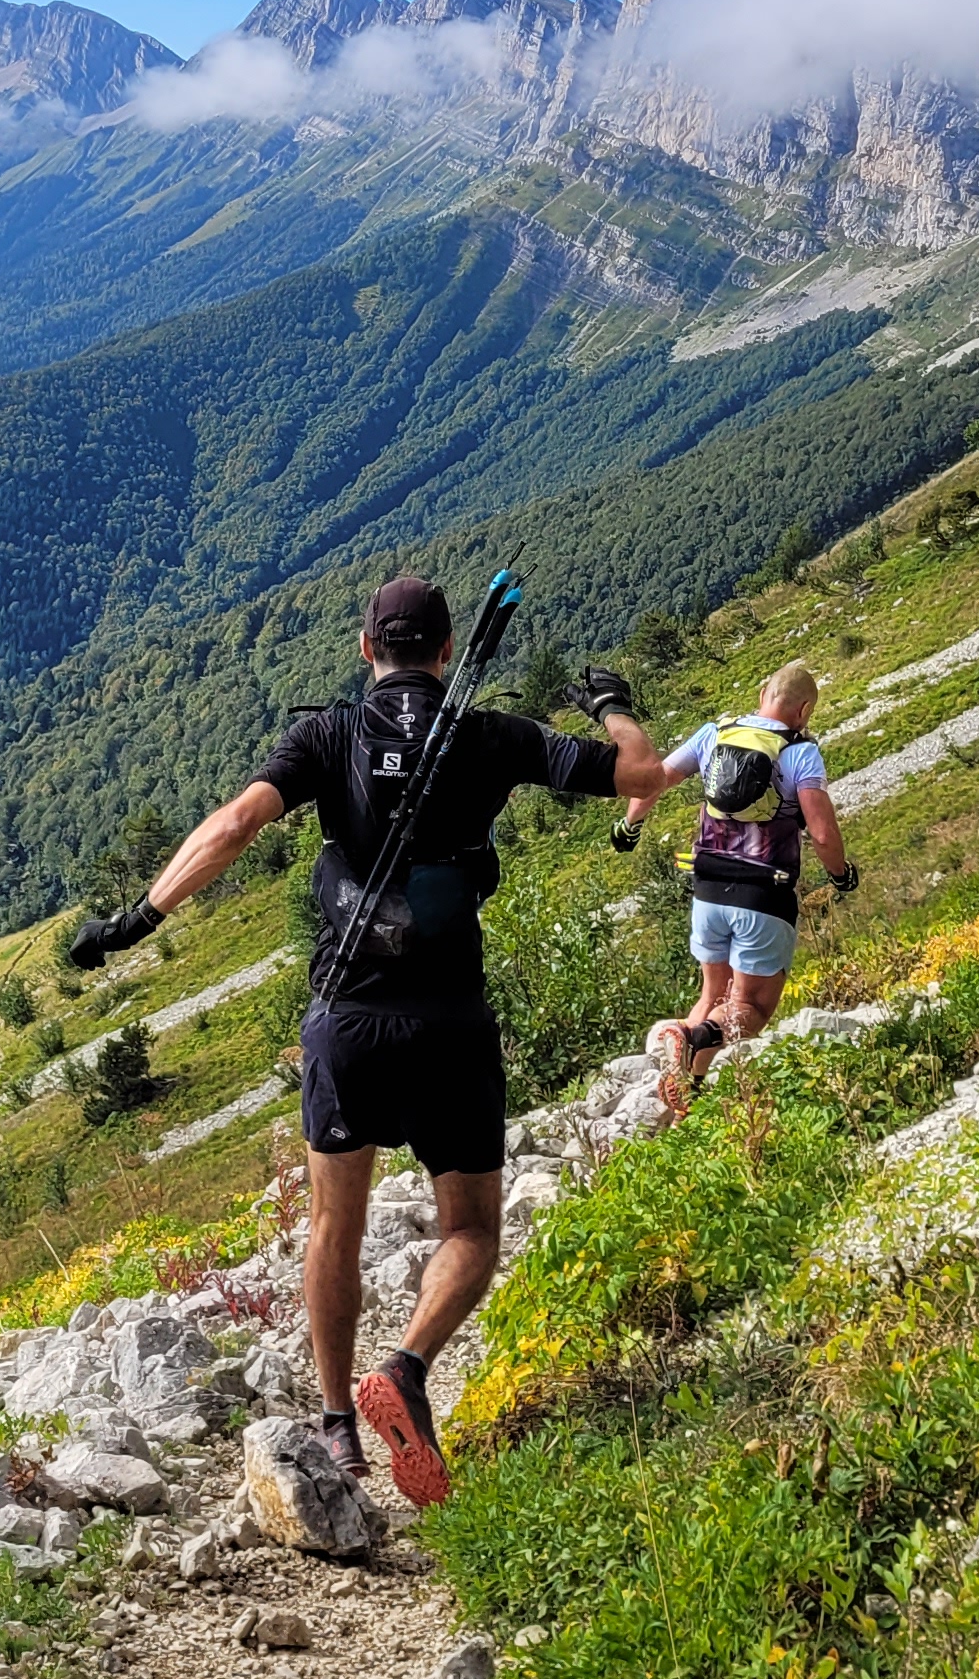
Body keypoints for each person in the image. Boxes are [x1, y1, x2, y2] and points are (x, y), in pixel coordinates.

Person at [65, 574, 660, 1507]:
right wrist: (615, 706)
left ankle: (339, 1425)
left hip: (346, 1020)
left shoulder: (327, 735)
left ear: (365, 648)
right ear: (449, 648)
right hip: (452, 1023)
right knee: (469, 1228)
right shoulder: (492, 734)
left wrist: (137, 918)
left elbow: (232, 826)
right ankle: (411, 1366)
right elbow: (643, 776)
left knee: (334, 1226)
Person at [624, 661, 852, 1113]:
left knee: (713, 995)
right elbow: (823, 834)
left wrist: (629, 824)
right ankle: (688, 1037)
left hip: (707, 887)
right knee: (752, 1008)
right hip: (764, 894)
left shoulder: (715, 733)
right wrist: (841, 874)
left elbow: (656, 778)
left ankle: (686, 1094)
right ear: (803, 710)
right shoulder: (799, 753)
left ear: (763, 690)